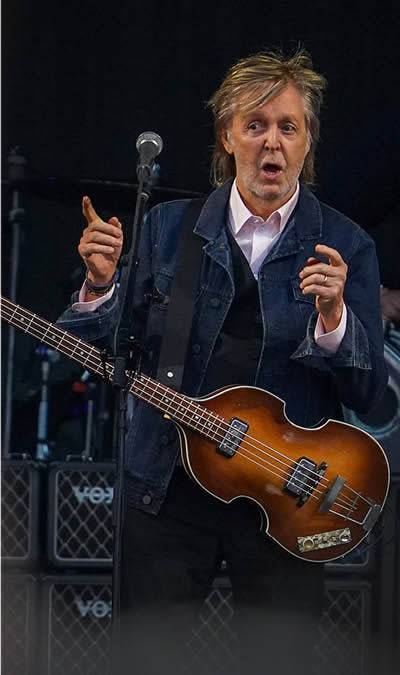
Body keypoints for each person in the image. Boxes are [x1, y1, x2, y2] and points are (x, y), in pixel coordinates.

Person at [57, 49, 386, 674]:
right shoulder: (167, 229)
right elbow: (108, 352)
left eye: (288, 127)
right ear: (227, 135)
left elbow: (375, 399)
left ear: (308, 141)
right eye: (256, 125)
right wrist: (99, 288)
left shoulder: (346, 244)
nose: (272, 143)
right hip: (168, 491)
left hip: (288, 498)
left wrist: (335, 321)